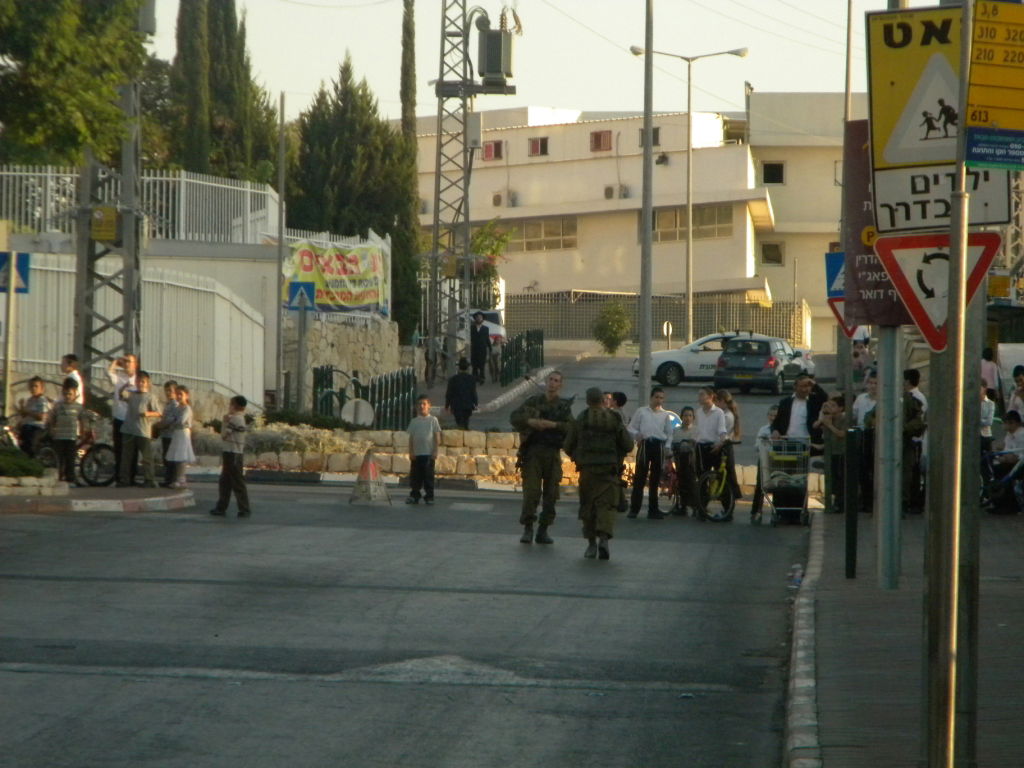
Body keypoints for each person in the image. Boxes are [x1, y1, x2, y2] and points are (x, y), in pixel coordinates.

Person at [563, 387, 634, 560]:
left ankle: (591, 544)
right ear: (602, 401)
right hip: (609, 471)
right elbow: (628, 444)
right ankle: (604, 539)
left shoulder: (582, 419)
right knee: (607, 506)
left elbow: (567, 445)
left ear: (587, 401)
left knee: (588, 506)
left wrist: (578, 457)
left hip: (587, 472)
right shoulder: (614, 418)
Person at [510, 370, 573, 544]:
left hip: (552, 453)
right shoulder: (534, 401)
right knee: (531, 492)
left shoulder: (563, 407)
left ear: (561, 385)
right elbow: (514, 417)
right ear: (546, 381)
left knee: (551, 494)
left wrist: (553, 424)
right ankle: (528, 528)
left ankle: (543, 529)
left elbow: (572, 428)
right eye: (551, 379)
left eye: (556, 381)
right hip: (533, 452)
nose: (553, 383)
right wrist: (531, 422)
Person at [626, 387, 674, 519]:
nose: (659, 400)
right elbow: (631, 427)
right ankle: (634, 509)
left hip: (658, 445)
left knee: (655, 479)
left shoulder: (665, 415)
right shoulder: (642, 411)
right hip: (645, 444)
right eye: (657, 397)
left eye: (661, 398)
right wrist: (637, 434)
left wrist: (668, 447)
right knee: (640, 477)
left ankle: (653, 510)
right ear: (651, 398)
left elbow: (670, 433)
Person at [210, 395, 251, 518]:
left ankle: (243, 508)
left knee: (236, 481)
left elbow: (224, 435)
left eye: (231, 404)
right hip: (233, 452)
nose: (229, 406)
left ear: (237, 406)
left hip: (232, 452)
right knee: (226, 481)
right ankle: (222, 507)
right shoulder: (240, 419)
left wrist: (225, 421)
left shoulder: (235, 419)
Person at [117, 370, 161, 487]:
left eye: (143, 381)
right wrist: (125, 386)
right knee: (126, 457)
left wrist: (148, 414)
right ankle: (124, 479)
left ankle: (149, 479)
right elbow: (121, 395)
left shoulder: (151, 397)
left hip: (143, 431)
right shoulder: (132, 394)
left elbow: (158, 413)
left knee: (147, 458)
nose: (140, 384)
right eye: (138, 381)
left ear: (147, 383)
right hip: (129, 429)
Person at [46, 377, 89, 484]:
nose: (67, 396)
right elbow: (52, 419)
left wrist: (83, 432)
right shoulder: (58, 406)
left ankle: (70, 477)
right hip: (59, 437)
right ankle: (59, 476)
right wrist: (52, 428)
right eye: (65, 394)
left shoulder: (78, 407)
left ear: (75, 394)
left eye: (70, 394)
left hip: (71, 437)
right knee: (59, 458)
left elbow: (82, 420)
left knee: (70, 458)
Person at [406, 394, 441, 505]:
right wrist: (411, 451)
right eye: (419, 404)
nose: (422, 406)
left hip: (428, 453)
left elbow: (436, 437)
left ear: (429, 406)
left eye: (424, 404)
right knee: (415, 476)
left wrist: (435, 451)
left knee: (428, 476)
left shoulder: (433, 420)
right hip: (417, 453)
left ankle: (429, 496)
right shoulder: (414, 421)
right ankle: (414, 495)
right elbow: (411, 438)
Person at [107, 354, 138, 480]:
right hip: (119, 417)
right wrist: (116, 361)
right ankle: (119, 475)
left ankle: (131, 475)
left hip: (131, 419)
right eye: (124, 362)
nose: (126, 364)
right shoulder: (120, 378)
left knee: (132, 449)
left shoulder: (138, 381)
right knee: (119, 447)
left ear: (135, 364)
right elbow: (108, 373)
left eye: (129, 362)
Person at [814, 396, 846, 514]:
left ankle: (840, 503)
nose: (830, 408)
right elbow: (816, 427)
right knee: (832, 477)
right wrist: (823, 418)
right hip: (831, 451)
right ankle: (833, 501)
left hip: (841, 452)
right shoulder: (827, 418)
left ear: (840, 408)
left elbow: (842, 433)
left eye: (833, 406)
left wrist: (830, 425)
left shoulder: (843, 419)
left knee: (840, 478)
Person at [903, 369, 928, 512]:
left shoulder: (918, 398)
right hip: (908, 439)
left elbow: (920, 420)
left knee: (913, 471)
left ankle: (914, 501)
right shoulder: (907, 396)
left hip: (915, 440)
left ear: (907, 381)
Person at [750, 404, 780, 520]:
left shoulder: (782, 429)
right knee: (761, 485)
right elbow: (757, 446)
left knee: (778, 485)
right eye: (771, 415)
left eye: (775, 415)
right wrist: (764, 443)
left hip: (777, 459)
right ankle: (756, 510)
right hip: (764, 458)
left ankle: (777, 510)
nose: (773, 418)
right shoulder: (763, 429)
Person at [694, 386, 728, 487]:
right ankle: (703, 497)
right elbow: (696, 430)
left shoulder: (718, 412)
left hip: (714, 446)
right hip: (701, 446)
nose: (699, 397)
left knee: (718, 473)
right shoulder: (698, 412)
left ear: (710, 396)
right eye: (699, 395)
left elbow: (722, 430)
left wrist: (721, 443)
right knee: (701, 474)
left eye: (702, 395)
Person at [163, 385, 195, 489]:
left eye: (181, 394)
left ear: (187, 396)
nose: (179, 396)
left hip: (183, 433)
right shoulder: (177, 408)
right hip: (176, 433)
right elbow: (170, 418)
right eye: (177, 394)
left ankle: (182, 479)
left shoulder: (187, 408)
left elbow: (181, 421)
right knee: (176, 456)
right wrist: (172, 421)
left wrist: (172, 421)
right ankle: (178, 478)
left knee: (181, 457)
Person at [669, 406, 699, 516]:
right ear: (681, 417)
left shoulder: (696, 430)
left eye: (690, 416)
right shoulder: (676, 431)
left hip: (691, 460)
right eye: (685, 415)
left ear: (693, 418)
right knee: (680, 482)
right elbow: (671, 443)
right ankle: (683, 506)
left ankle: (696, 506)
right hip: (679, 459)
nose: (687, 418)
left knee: (691, 482)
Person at [714, 388, 743, 501]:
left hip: (724, 447)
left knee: (728, 477)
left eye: (717, 401)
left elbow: (722, 434)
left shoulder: (727, 416)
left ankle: (729, 502)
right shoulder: (725, 414)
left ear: (722, 401)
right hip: (724, 446)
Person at [16, 376, 52, 457]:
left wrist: (28, 412)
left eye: (36, 386)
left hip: (36, 428)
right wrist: (21, 406)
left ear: (41, 388)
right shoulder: (30, 400)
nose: (33, 388)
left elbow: (41, 417)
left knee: (30, 446)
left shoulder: (42, 400)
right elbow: (24, 415)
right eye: (31, 386)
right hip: (26, 426)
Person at [445, 358, 478, 429]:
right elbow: (473, 393)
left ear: (458, 367)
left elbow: (449, 393)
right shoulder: (471, 379)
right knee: (466, 422)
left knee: (459, 422)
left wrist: (447, 405)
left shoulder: (453, 379)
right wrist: (475, 403)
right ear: (467, 367)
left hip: (456, 405)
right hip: (468, 405)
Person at [158, 380, 179, 486]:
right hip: (165, 434)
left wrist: (161, 425)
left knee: (170, 458)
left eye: (170, 390)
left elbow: (171, 419)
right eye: (166, 390)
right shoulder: (168, 404)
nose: (168, 393)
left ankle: (172, 480)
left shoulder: (175, 404)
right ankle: (168, 479)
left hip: (171, 435)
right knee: (166, 457)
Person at [469, 311, 491, 384]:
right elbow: (469, 338)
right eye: (477, 317)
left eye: (480, 317)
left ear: (482, 319)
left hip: (482, 349)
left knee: (482, 365)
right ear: (475, 319)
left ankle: (482, 378)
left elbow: (487, 339)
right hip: (474, 349)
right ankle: (474, 378)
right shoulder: (471, 328)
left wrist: (490, 348)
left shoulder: (485, 328)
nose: (479, 319)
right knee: (474, 364)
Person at [981, 348, 1003, 413]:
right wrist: (997, 391)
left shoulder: (980, 363)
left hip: (981, 387)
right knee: (989, 407)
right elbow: (995, 379)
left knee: (982, 405)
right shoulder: (993, 365)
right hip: (991, 389)